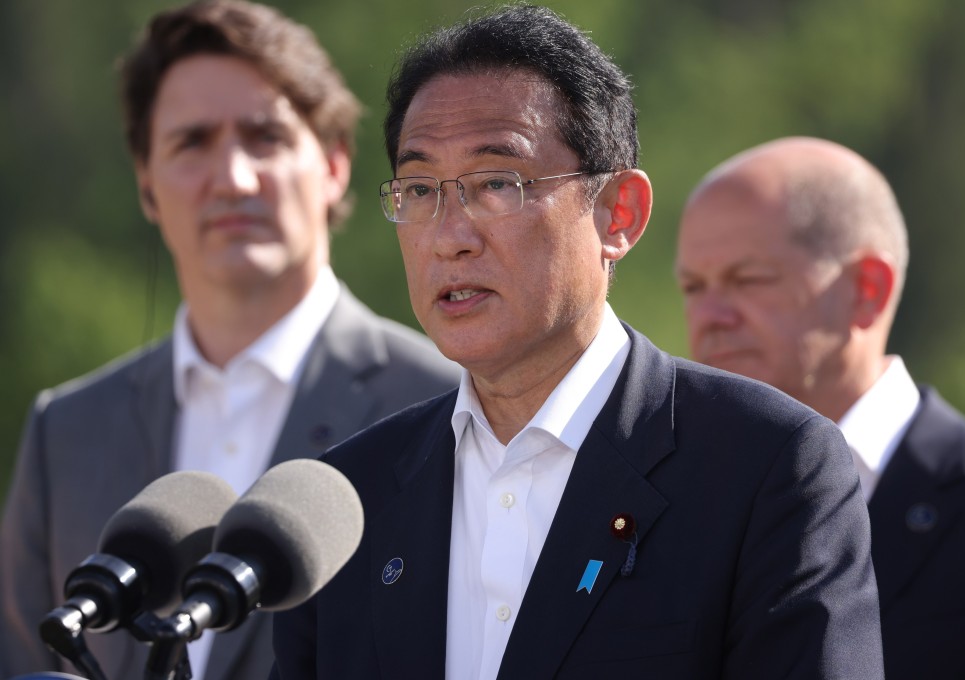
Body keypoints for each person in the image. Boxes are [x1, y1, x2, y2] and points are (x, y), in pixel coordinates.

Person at [269, 7, 884, 679]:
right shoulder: (346, 500)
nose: (450, 235)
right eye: (419, 190)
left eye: (497, 184)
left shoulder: (768, 468)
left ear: (618, 214)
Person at [0, 1, 459, 679]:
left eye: (264, 136)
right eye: (192, 142)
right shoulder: (65, 431)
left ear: (334, 164)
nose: (234, 178)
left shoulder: (448, 402)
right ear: (146, 183)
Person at [675, 135, 965, 680]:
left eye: (748, 279)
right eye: (694, 287)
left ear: (867, 289)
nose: (711, 315)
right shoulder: (674, 498)